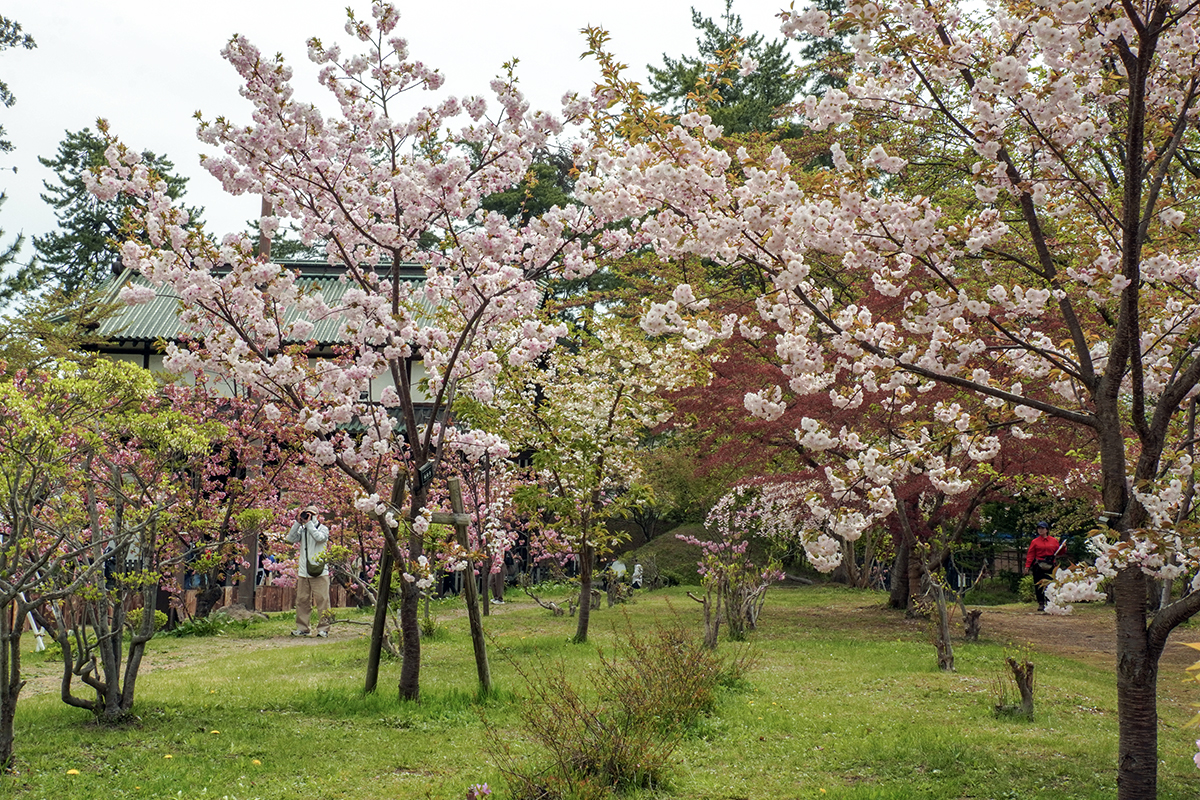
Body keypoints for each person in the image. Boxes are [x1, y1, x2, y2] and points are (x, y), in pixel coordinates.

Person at [286, 505, 331, 637]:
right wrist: (297, 522)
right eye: (307, 514)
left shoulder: (323, 529)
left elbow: (319, 538)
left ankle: (324, 628)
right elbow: (290, 538)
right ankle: (303, 628)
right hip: (304, 571)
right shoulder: (303, 530)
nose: (308, 516)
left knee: (322, 600)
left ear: (317, 515)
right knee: (302, 600)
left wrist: (309, 524)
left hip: (320, 571)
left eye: (311, 514)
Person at [1025, 521, 1060, 612]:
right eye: (1039, 528)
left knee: (1051, 584)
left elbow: (1059, 552)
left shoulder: (1054, 541)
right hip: (1038, 565)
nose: (1040, 530)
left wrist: (1063, 547)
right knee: (1039, 584)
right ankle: (1041, 603)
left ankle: (1050, 602)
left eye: (1042, 528)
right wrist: (1027, 566)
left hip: (1050, 564)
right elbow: (1030, 554)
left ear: (1047, 530)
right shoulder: (1035, 542)